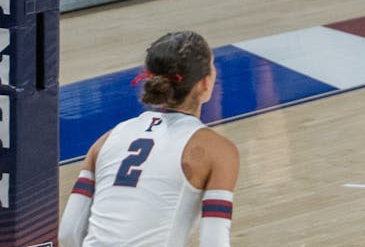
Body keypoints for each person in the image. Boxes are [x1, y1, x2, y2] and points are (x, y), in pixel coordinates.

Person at [59, 31, 240, 247]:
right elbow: (214, 243)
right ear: (205, 82)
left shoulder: (107, 139)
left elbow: (68, 234)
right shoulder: (217, 151)